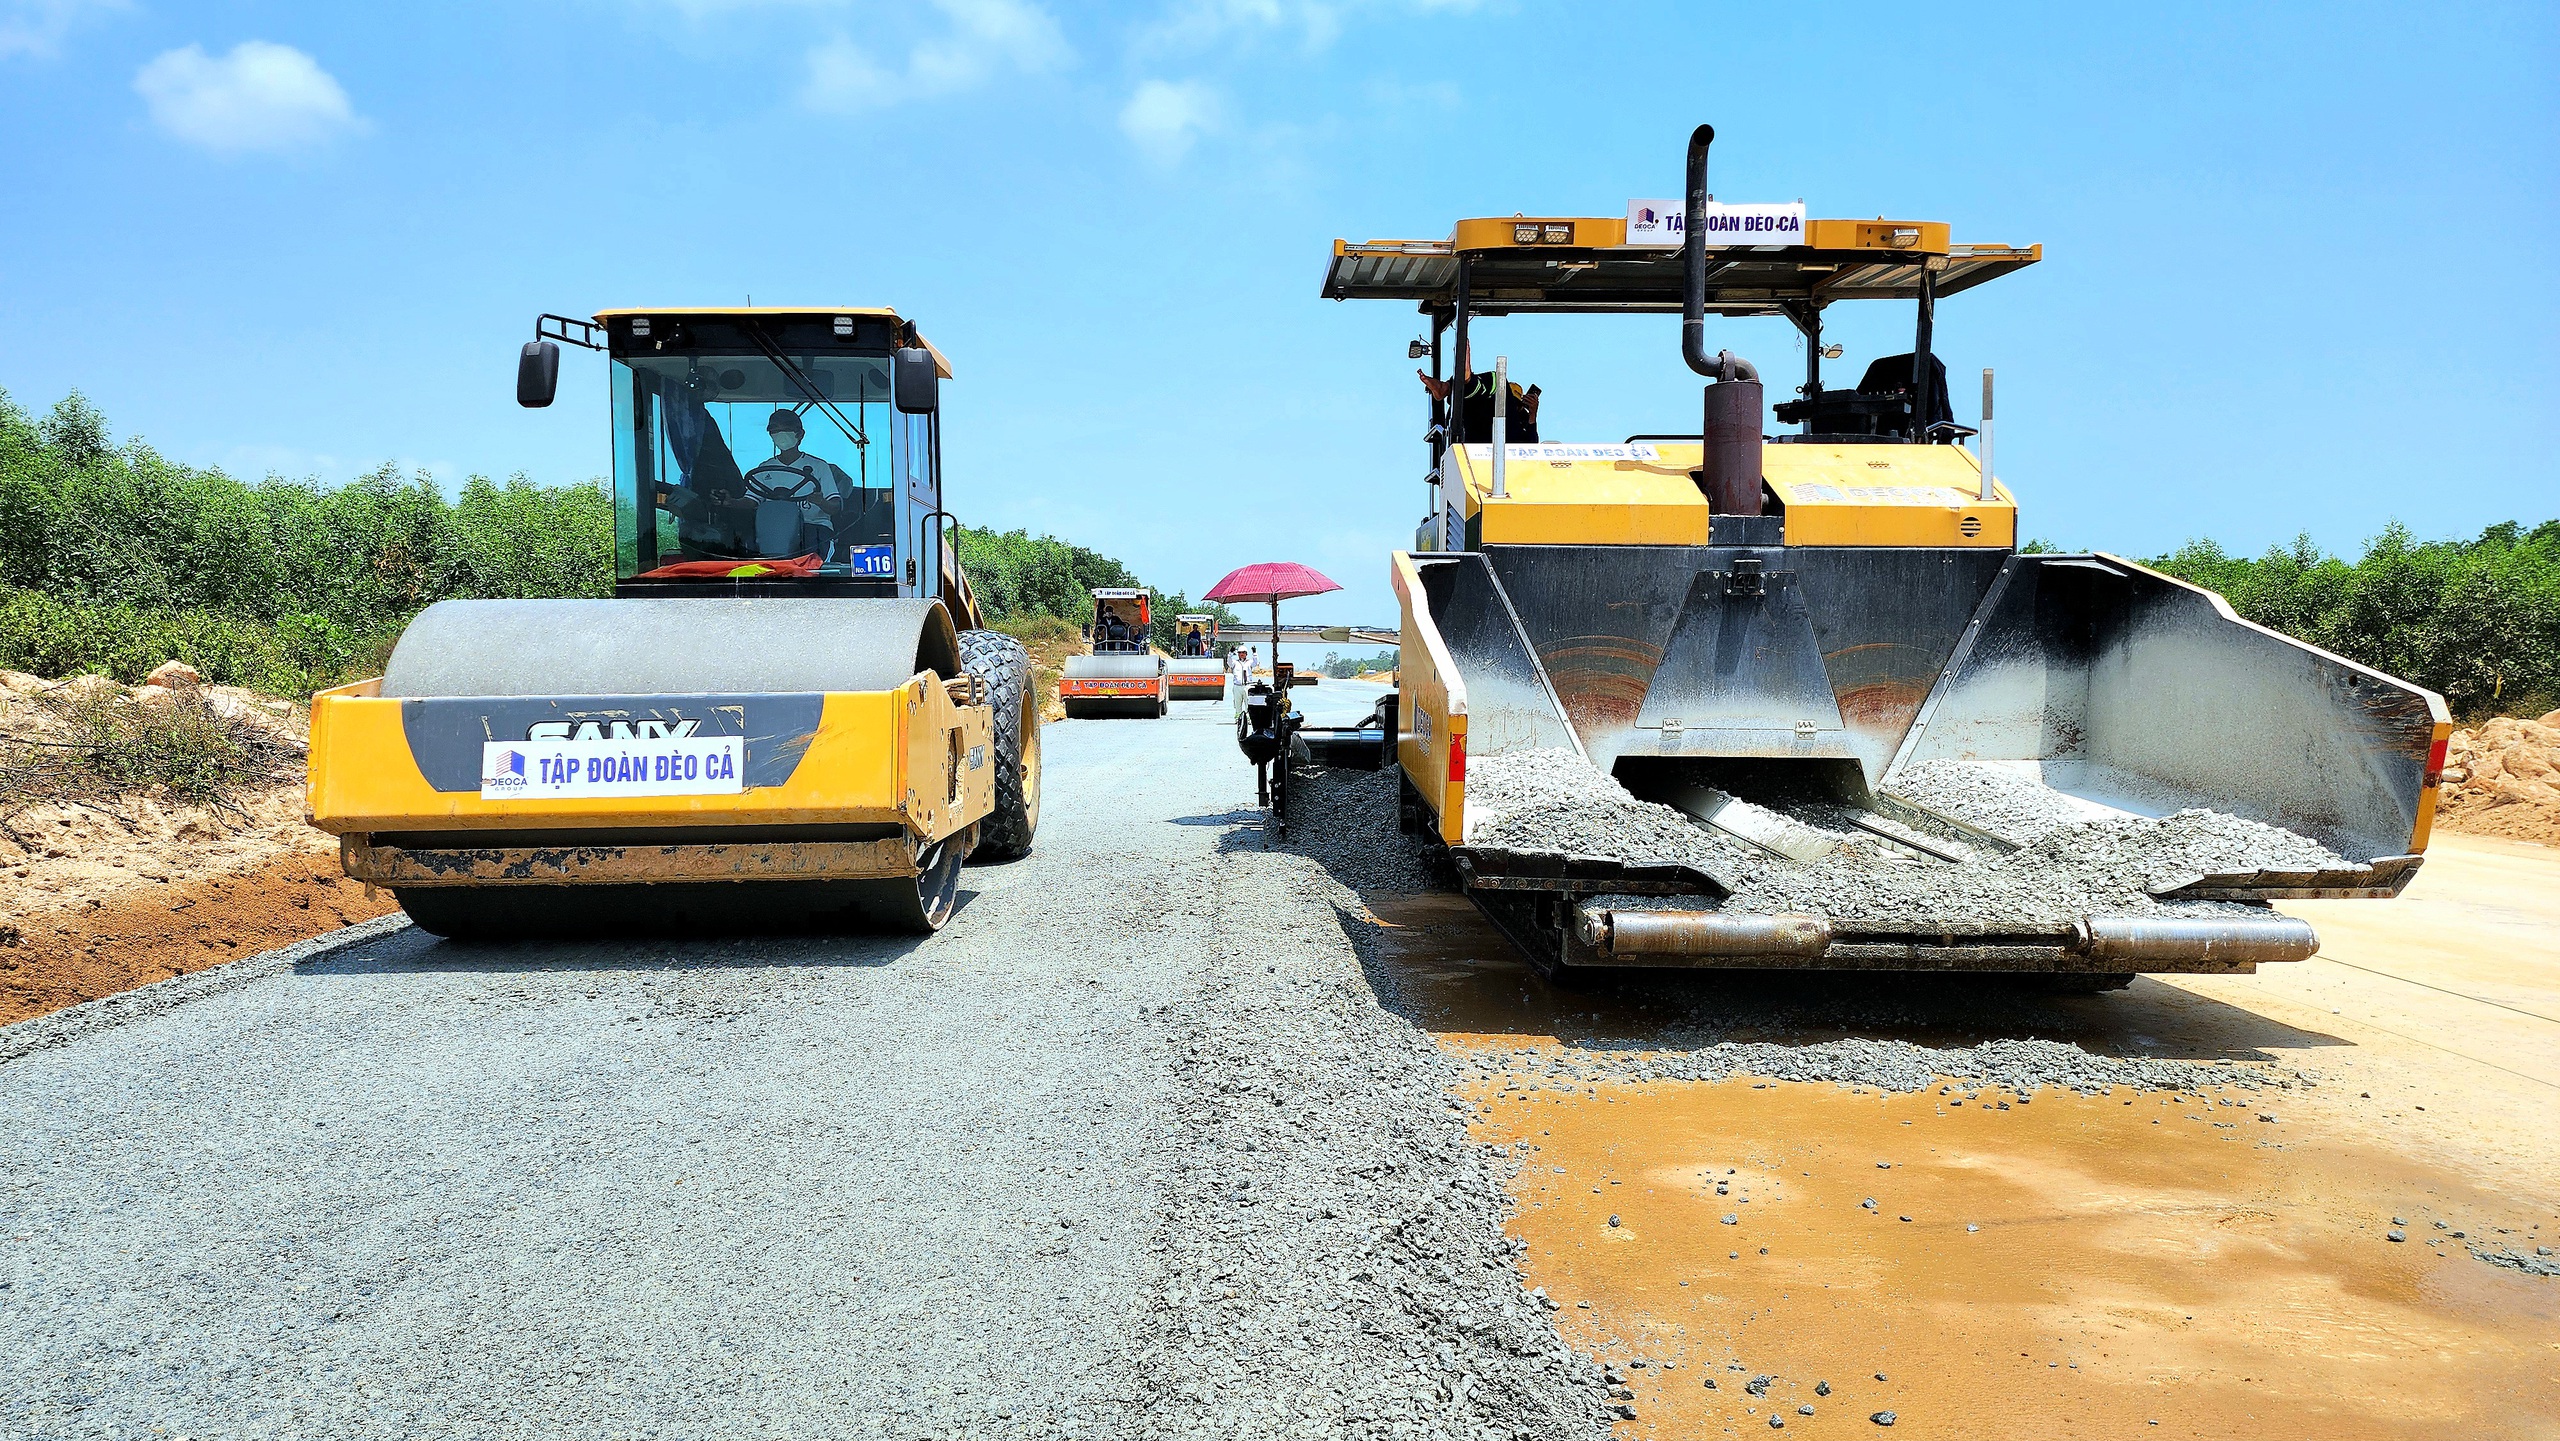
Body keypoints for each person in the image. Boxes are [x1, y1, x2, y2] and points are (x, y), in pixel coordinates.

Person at [742, 409, 876, 558]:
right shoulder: (764, 468)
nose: (780, 434)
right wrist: (729, 502)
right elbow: (750, 501)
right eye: (775, 430)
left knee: (811, 559)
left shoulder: (819, 467)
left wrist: (821, 502)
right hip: (772, 530)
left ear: (800, 434)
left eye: (786, 430)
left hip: (813, 528)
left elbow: (834, 506)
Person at [1418, 345, 1540, 444]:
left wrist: (1532, 415)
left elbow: (1532, 447)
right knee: (1469, 397)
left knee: (1499, 380)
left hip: (1503, 447)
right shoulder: (1478, 408)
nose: (1514, 407)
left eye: (1515, 404)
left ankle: (1451, 386)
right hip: (1472, 441)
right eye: (1512, 403)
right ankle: (1460, 384)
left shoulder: (1521, 421)